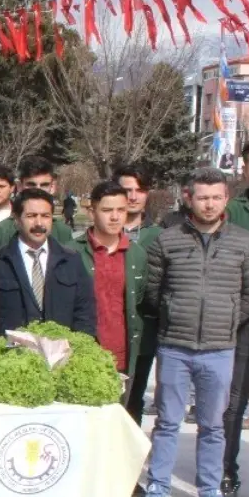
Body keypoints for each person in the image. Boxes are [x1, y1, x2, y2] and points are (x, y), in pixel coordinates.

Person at [141, 168, 249, 497]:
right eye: (202, 197)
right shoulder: (168, 240)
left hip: (220, 348)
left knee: (214, 425)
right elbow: (153, 290)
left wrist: (228, 316)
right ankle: (159, 486)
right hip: (175, 346)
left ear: (226, 199)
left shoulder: (243, 243)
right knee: (167, 421)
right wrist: (173, 313)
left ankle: (210, 490)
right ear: (189, 198)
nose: (209, 204)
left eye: (216, 197)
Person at [67, 180, 148, 497]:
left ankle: (115, 485)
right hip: (85, 350)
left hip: (123, 351)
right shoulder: (73, 251)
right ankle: (72, 488)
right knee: (79, 421)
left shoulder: (137, 254)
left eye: (121, 210)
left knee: (117, 421)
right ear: (92, 211)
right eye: (107, 210)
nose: (116, 217)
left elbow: (146, 303)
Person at [0, 188, 96, 336]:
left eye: (45, 216)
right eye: (31, 216)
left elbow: (85, 312)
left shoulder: (71, 260)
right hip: (12, 354)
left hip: (62, 354)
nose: (39, 223)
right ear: (16, 219)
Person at [113, 165, 164, 451]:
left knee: (133, 401)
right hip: (106, 333)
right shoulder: (100, 233)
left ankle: (128, 468)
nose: (133, 196)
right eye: (126, 189)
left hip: (142, 335)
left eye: (139, 190)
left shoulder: (159, 236)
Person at [222, 138, 249, 497]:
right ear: (245, 169)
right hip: (248, 317)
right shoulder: (234, 211)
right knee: (235, 398)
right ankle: (226, 469)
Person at [0, 157, 74, 248]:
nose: (38, 190)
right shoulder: (1, 231)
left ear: (52, 187)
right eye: (31, 185)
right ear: (20, 186)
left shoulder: (63, 232)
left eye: (44, 185)